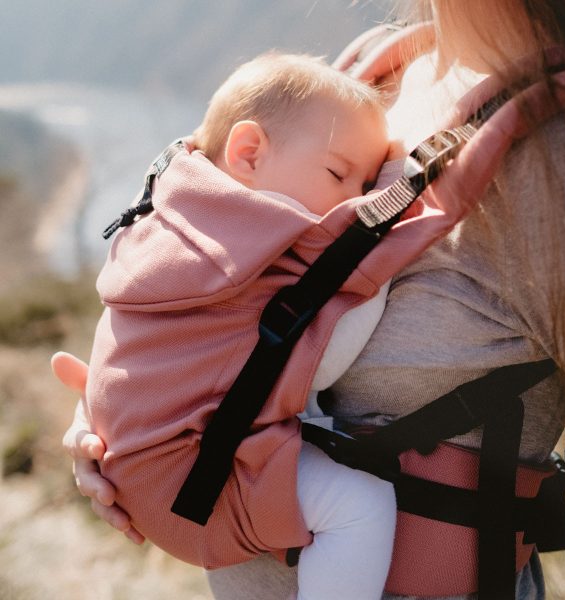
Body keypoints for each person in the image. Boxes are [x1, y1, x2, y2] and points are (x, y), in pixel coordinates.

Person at [57, 1, 565, 599]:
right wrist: (124, 417)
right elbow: (204, 295)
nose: (354, 194)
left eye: (361, 183)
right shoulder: (366, 77)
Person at [70, 52, 402, 600]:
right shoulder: (249, 255)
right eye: (339, 173)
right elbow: (327, 356)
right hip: (191, 479)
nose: (358, 199)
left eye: (367, 181)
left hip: (132, 462)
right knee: (359, 508)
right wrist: (378, 256)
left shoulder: (175, 213)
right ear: (248, 154)